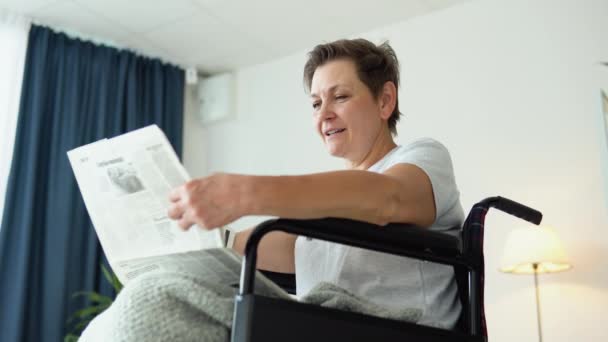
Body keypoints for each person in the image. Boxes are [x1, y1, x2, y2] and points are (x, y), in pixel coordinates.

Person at [81, 38, 464, 341]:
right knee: (150, 292)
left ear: (385, 100)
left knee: (154, 304)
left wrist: (245, 193)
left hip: (394, 328)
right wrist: (194, 240)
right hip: (326, 324)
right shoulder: (332, 202)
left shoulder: (423, 157)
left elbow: (384, 199)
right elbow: (277, 244)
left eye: (340, 97)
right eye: (315, 103)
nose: (324, 114)